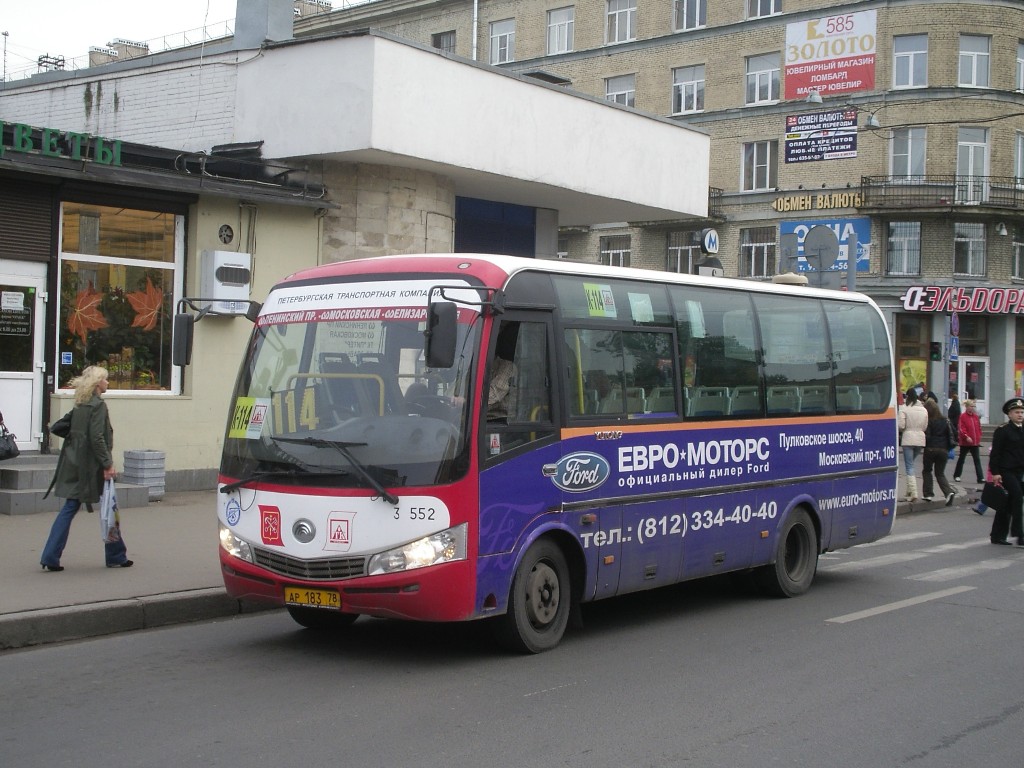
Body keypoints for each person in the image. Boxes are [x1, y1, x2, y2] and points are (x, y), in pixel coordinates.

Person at [40, 366, 133, 571]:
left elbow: (58, 427)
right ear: (98, 383)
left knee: (70, 508)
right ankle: (116, 556)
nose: (108, 383)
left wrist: (76, 440)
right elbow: (97, 438)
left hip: (74, 463)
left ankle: (50, 556)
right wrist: (107, 464)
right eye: (105, 380)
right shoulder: (98, 405)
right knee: (110, 508)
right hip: (91, 467)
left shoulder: (81, 404)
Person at [987, 397, 1024, 546]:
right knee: (1017, 497)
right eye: (1017, 412)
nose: (1020, 415)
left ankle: (997, 535)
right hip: (1006, 471)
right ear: (1009, 414)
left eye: (1022, 412)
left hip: (1019, 471)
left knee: (1006, 504)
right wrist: (995, 472)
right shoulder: (1003, 430)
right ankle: (1019, 534)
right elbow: (996, 453)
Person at [921, 398, 956, 506]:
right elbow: (954, 433)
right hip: (943, 450)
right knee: (940, 473)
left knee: (927, 471)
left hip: (930, 448)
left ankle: (928, 494)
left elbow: (927, 436)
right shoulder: (945, 420)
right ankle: (948, 492)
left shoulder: (929, 421)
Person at [898, 388, 928, 502]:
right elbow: (925, 426)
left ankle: (914, 492)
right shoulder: (923, 410)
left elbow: (901, 425)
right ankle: (908, 492)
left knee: (909, 466)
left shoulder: (904, 409)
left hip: (908, 438)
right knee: (911, 464)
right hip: (920, 439)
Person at [953, 398, 985, 484]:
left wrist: (978, 436)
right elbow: (961, 428)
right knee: (962, 459)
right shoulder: (963, 416)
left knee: (977, 460)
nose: (973, 408)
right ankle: (957, 475)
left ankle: (980, 478)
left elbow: (979, 427)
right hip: (965, 443)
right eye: (971, 406)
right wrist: (966, 436)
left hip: (974, 443)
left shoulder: (975, 417)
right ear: (967, 407)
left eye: (974, 406)